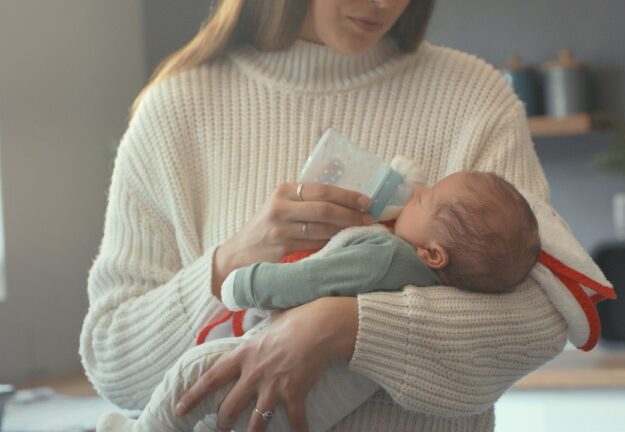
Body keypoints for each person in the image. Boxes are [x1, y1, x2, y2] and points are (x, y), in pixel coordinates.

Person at [80, 0, 575, 431]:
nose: (385, 3)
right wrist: (231, 260)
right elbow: (114, 361)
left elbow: (544, 316)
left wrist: (345, 327)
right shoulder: (175, 111)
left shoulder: (473, 98)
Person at [97, 170, 541, 431]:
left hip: (277, 374)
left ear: (433, 252)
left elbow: (307, 280)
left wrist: (239, 281)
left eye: (424, 198)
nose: (415, 188)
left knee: (193, 376)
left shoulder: (385, 253)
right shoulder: (440, 285)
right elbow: (110, 353)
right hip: (321, 408)